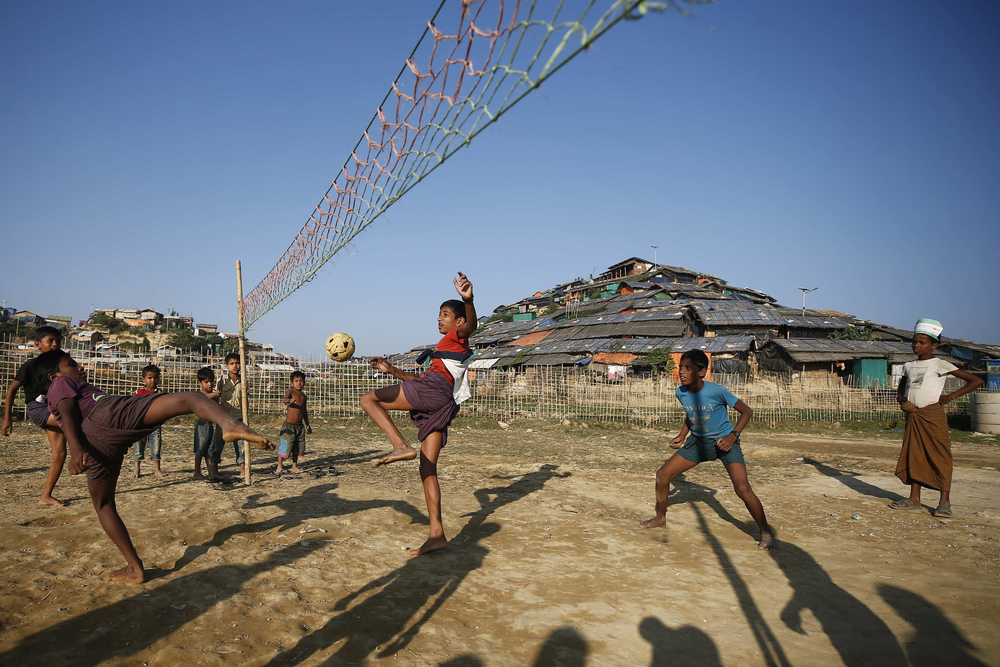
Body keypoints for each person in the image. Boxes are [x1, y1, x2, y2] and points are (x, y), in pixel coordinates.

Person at [35, 349, 272, 583]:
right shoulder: (60, 383)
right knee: (191, 398)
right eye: (72, 364)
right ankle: (229, 424)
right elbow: (66, 413)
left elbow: (64, 416)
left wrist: (79, 448)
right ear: (53, 376)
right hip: (108, 414)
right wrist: (75, 450)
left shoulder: (65, 388)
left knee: (104, 505)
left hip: (96, 438)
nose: (80, 367)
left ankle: (135, 568)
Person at [361, 271, 477, 555]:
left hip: (436, 393)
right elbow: (422, 384)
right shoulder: (444, 352)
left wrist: (469, 299)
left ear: (458, 321)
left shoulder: (456, 336)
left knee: (368, 400)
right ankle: (437, 534)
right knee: (427, 468)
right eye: (439, 314)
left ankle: (400, 445)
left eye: (446, 314)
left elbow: (472, 325)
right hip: (441, 402)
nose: (440, 318)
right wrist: (392, 370)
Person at [640, 349, 776, 550]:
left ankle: (766, 532)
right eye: (681, 367)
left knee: (743, 488)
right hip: (698, 444)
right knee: (662, 475)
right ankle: (660, 518)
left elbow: (747, 411)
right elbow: (692, 414)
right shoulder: (681, 392)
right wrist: (682, 434)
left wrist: (733, 436)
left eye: (688, 368)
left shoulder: (717, 391)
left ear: (702, 371)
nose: (682, 372)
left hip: (725, 444)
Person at [889, 319, 983, 518]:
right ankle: (914, 499)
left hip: (933, 415)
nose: (916, 345)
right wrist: (901, 398)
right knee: (915, 454)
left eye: (922, 342)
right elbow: (902, 384)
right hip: (914, 416)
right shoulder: (908, 365)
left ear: (934, 345)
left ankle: (944, 502)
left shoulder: (940, 363)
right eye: (914, 342)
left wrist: (949, 397)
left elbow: (975, 380)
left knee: (940, 455)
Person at [1, 326, 68, 507]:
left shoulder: (63, 364)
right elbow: (12, 390)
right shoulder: (31, 365)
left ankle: (45, 496)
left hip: (56, 410)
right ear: (38, 344)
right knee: (76, 421)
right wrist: (7, 419)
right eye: (50, 341)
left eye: (58, 341)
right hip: (39, 409)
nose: (55, 344)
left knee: (60, 454)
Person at [215, 352, 248, 476]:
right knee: (218, 443)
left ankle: (243, 470)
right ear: (227, 366)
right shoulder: (222, 380)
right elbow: (216, 397)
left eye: (238, 363)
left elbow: (246, 399)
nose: (235, 366)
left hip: (239, 417)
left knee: (241, 445)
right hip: (224, 418)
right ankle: (214, 468)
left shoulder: (243, 381)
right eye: (232, 363)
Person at [274, 370, 311, 476]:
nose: (299, 383)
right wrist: (289, 401)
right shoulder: (291, 392)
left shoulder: (304, 396)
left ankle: (294, 466)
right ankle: (279, 465)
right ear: (292, 383)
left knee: (297, 446)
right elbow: (284, 400)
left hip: (299, 426)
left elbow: (304, 411)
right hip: (289, 426)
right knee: (285, 445)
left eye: (301, 381)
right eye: (296, 381)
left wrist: (307, 424)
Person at [131, 364, 165, 479]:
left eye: (155, 378)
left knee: (156, 447)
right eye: (149, 378)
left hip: (155, 425)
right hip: (141, 425)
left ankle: (157, 469)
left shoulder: (160, 393)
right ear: (143, 379)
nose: (153, 380)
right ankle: (137, 469)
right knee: (138, 448)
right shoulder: (139, 393)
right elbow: (133, 407)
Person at [193, 367, 221, 481]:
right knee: (200, 450)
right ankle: (197, 472)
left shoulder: (212, 395)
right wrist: (214, 394)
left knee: (209, 450)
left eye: (211, 381)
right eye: (206, 382)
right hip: (202, 426)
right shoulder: (201, 394)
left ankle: (211, 472)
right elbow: (205, 399)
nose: (210, 384)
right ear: (200, 383)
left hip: (210, 426)